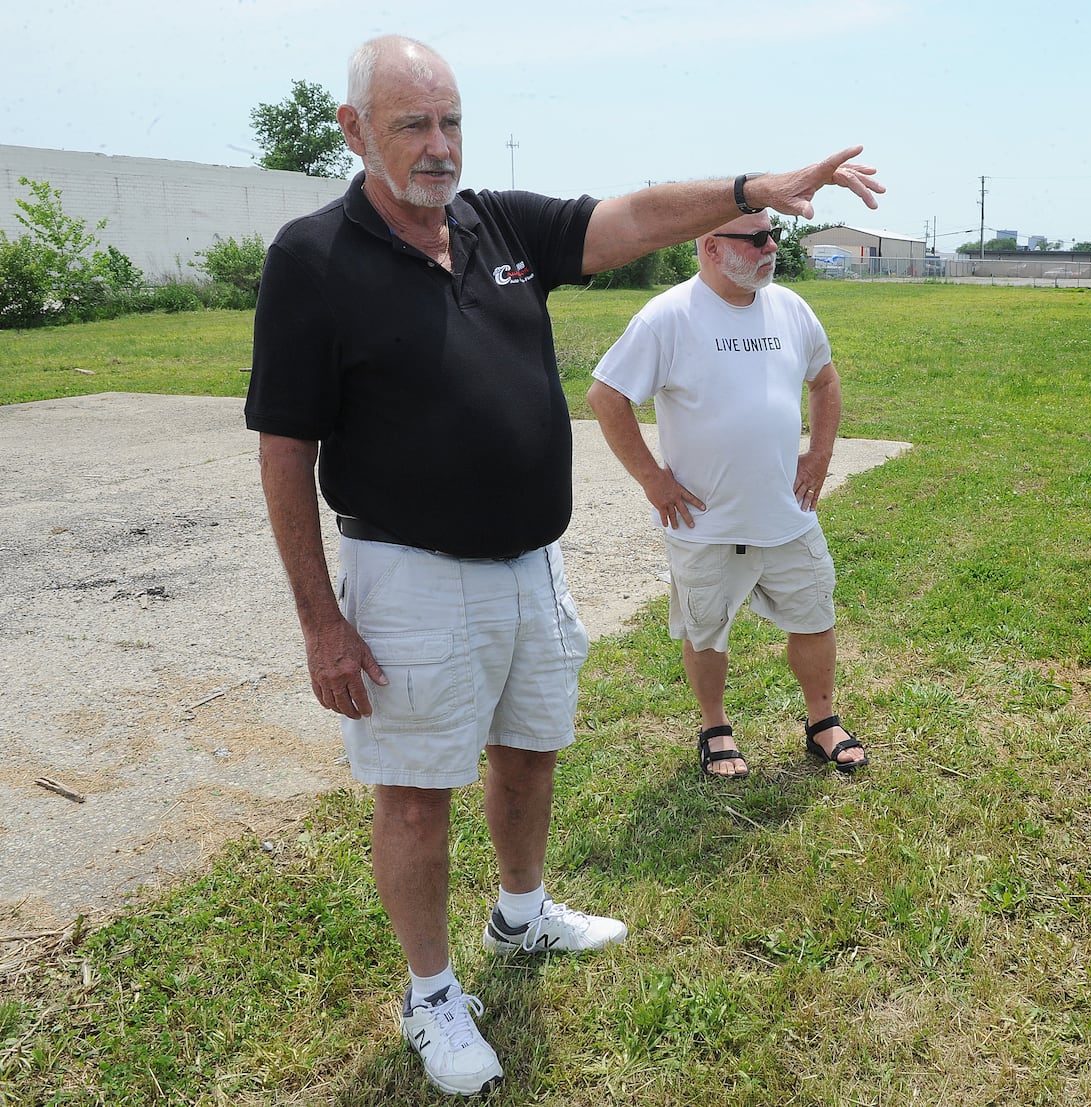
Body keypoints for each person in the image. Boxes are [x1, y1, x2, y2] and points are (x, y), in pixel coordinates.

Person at [244, 34, 883, 1098]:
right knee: (413, 796)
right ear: (354, 131)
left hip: (530, 566)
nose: (439, 145)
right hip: (407, 572)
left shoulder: (497, 225)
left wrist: (753, 188)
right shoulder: (313, 260)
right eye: (412, 124)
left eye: (450, 120)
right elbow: (284, 448)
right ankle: (431, 993)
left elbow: (630, 218)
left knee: (530, 752)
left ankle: (522, 915)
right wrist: (320, 619)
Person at [587, 212, 868, 783]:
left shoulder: (791, 307)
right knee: (705, 629)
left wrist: (818, 455)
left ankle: (822, 720)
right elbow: (606, 396)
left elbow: (825, 379)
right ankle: (715, 729)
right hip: (707, 523)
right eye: (757, 239)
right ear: (712, 248)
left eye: (774, 237)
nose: (771, 248)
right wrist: (653, 480)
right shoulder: (668, 317)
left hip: (788, 516)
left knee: (814, 616)